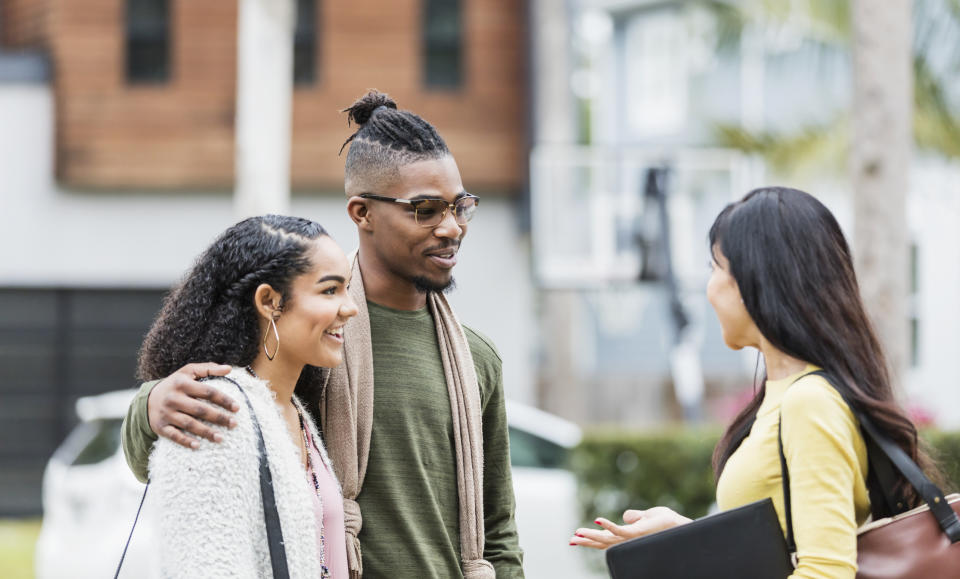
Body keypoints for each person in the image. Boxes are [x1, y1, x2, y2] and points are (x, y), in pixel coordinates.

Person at [121, 91, 524, 578]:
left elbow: (498, 531)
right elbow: (181, 457)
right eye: (426, 209)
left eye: (461, 207)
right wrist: (152, 403)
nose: (452, 227)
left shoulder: (477, 360)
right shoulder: (308, 333)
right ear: (362, 213)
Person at [570, 187, 940, 578]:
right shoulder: (788, 395)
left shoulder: (809, 402)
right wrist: (687, 534)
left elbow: (826, 571)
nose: (709, 287)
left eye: (715, 268)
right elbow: (785, 546)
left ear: (754, 282)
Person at [138, 215, 358, 577]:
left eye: (347, 288)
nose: (349, 307)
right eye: (330, 290)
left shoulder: (293, 410)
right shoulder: (215, 414)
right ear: (270, 301)